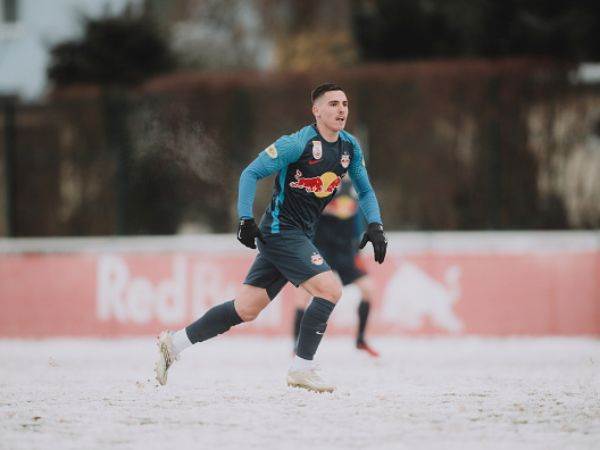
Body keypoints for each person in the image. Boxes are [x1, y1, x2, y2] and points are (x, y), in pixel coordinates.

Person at [154, 83, 387, 393]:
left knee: (245, 309)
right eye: (332, 104)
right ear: (316, 110)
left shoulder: (349, 148)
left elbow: (366, 190)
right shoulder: (297, 144)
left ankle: (174, 344)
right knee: (329, 289)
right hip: (280, 231)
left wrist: (375, 225)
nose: (341, 109)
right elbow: (250, 173)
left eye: (344, 103)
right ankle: (302, 368)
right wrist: (245, 218)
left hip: (298, 234)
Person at [292, 176, 380, 357]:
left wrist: (358, 249)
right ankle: (296, 345)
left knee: (369, 290)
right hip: (321, 248)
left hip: (345, 251)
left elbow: (355, 218)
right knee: (303, 294)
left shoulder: (355, 186)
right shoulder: (319, 182)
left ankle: (360, 340)